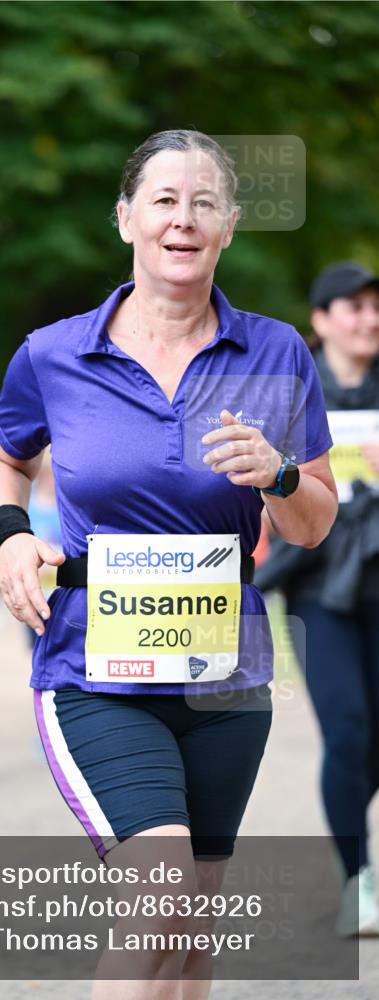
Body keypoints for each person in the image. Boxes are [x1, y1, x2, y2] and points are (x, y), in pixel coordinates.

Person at [0, 130, 338, 998]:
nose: (184, 218)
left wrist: (278, 472)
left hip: (224, 678)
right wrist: (11, 533)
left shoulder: (278, 352)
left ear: (229, 226)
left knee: (191, 931)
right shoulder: (55, 354)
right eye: (166, 200)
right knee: (159, 896)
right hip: (93, 668)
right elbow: (0, 458)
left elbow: (314, 521)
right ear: (126, 217)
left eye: (203, 202)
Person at [256, 261, 379, 936]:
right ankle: (356, 881)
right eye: (351, 307)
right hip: (316, 587)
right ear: (321, 320)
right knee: (347, 730)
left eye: (373, 306)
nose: (366, 318)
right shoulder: (292, 391)